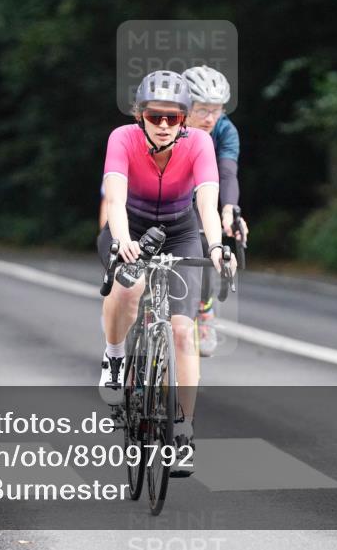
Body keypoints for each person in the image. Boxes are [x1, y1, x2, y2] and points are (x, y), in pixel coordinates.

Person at [98, 70, 234, 476]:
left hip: (180, 232)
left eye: (172, 118)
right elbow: (115, 199)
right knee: (129, 287)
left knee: (181, 329)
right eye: (154, 116)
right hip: (131, 227)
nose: (162, 125)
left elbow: (208, 204)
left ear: (184, 119)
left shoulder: (200, 143)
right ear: (140, 115)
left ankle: (183, 429)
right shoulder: (121, 139)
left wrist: (215, 247)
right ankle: (115, 356)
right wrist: (123, 241)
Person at [182, 65, 249, 357]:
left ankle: (204, 308)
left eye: (217, 110)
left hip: (203, 192)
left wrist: (230, 210)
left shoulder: (225, 130)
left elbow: (227, 172)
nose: (210, 118)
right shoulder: (168, 124)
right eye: (202, 110)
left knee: (207, 241)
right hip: (168, 191)